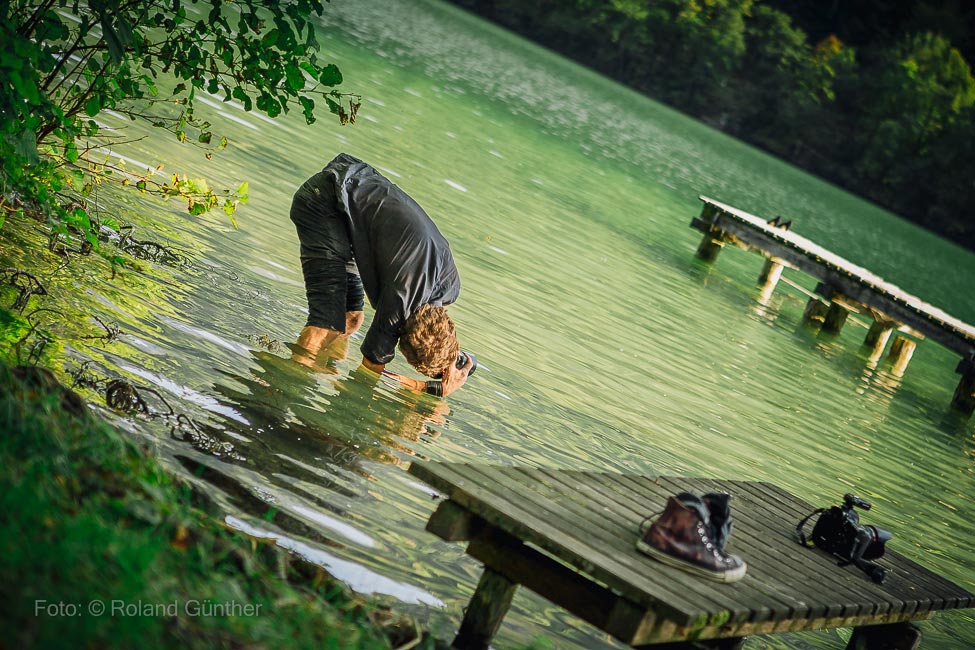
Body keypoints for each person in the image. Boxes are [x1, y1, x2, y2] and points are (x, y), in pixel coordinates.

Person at [289, 153, 472, 397]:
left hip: (351, 204)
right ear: (402, 342)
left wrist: (448, 357)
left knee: (351, 318)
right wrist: (431, 389)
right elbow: (368, 374)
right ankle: (285, 390)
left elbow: (380, 358)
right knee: (327, 325)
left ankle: (320, 370)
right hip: (325, 204)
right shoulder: (400, 302)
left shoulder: (448, 287)